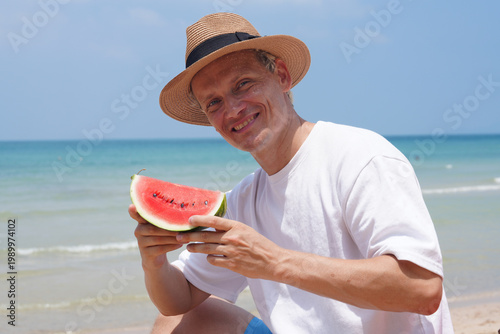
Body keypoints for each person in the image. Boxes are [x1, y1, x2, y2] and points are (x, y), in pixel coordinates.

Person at [130, 12, 454, 333]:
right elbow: (179, 299)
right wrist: (154, 261)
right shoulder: (244, 200)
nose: (232, 109)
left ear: (282, 76)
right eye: (213, 102)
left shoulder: (360, 157)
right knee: (179, 322)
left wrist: (275, 262)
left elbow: (422, 290)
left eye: (243, 84)